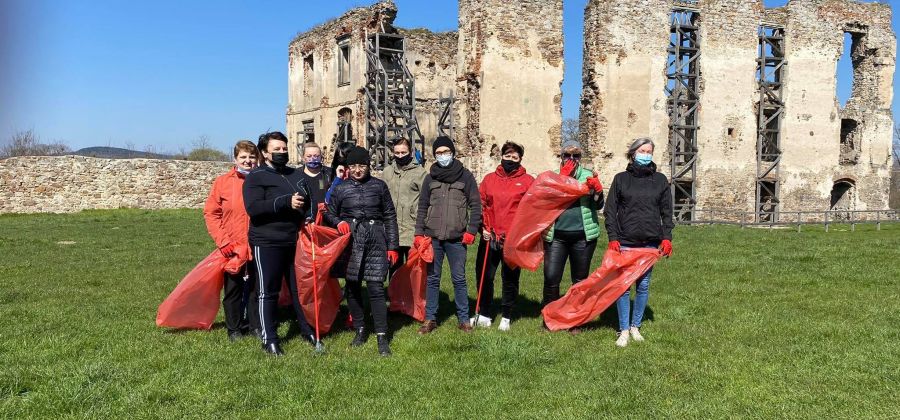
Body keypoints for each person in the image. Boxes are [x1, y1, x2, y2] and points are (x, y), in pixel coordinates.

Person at [243, 131, 315, 356]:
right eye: (277, 149)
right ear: (265, 153)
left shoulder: (295, 175)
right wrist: (285, 202)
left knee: (298, 289)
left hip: (293, 240)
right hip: (267, 241)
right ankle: (270, 338)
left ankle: (307, 330)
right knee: (268, 291)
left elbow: (306, 202)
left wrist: (307, 210)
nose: (282, 152)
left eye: (284, 148)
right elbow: (253, 208)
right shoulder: (256, 176)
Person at [324, 146, 399, 356]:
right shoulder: (341, 188)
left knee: (375, 288)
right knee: (353, 288)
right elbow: (329, 213)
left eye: (362, 166)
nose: (358, 170)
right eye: (354, 166)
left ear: (369, 166)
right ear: (348, 167)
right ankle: (360, 329)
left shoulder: (379, 186)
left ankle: (382, 336)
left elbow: (390, 216)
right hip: (351, 241)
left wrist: (392, 246)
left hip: (375, 239)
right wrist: (338, 222)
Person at [604, 137, 673, 347]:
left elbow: (667, 212)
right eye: (642, 150)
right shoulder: (621, 179)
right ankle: (623, 329)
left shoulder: (660, 180)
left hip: (650, 243)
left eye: (649, 151)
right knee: (623, 287)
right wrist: (613, 238)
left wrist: (667, 237)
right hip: (625, 242)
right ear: (633, 153)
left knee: (642, 287)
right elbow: (610, 211)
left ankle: (636, 326)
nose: (646, 154)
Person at [414, 136, 482, 334]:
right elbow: (423, 206)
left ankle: (463, 318)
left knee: (459, 278)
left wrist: (471, 231)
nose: (442, 156)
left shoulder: (465, 176)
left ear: (452, 152)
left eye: (446, 152)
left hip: (457, 237)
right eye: (439, 153)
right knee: (433, 278)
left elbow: (475, 205)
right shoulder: (430, 177)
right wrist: (419, 233)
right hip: (433, 236)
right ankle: (430, 318)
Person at [541, 138, 604, 334]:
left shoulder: (588, 175)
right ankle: (550, 317)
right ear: (560, 157)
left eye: (575, 155)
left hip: (583, 236)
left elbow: (598, 204)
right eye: (567, 155)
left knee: (579, 280)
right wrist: (562, 180)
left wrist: (598, 192)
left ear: (580, 157)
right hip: (556, 235)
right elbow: (544, 202)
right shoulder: (552, 176)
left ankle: (575, 320)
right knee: (551, 277)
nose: (571, 159)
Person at [471, 141, 534, 331]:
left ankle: (506, 314)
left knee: (510, 278)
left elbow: (531, 209)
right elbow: (480, 204)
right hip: (490, 236)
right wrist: (483, 227)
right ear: (501, 157)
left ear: (520, 159)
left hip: (512, 239)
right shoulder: (489, 179)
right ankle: (484, 312)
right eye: (507, 156)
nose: (510, 160)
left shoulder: (527, 181)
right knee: (485, 275)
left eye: (515, 157)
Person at [203, 140, 260, 341]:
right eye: (243, 157)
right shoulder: (223, 182)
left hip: (257, 243)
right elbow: (211, 214)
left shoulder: (262, 180)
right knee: (233, 288)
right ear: (235, 159)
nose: (248, 161)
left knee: (256, 288)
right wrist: (223, 241)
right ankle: (234, 328)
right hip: (233, 245)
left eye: (252, 157)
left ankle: (255, 325)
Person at [381, 138, 427, 274]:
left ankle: (413, 296)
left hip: (412, 228)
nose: (400, 156)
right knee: (394, 268)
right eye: (397, 153)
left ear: (410, 152)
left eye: (403, 152)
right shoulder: (387, 172)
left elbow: (426, 200)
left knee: (414, 270)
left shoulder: (420, 173)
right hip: (391, 229)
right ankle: (394, 295)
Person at [297, 142, 333, 221]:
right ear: (303, 158)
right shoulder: (295, 175)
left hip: (328, 220)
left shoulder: (330, 174)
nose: (313, 159)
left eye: (316, 156)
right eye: (309, 156)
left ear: (321, 157)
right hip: (304, 222)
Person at [326, 141, 354, 205]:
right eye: (340, 158)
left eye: (346, 158)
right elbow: (329, 200)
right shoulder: (332, 174)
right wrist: (338, 178)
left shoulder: (359, 175)